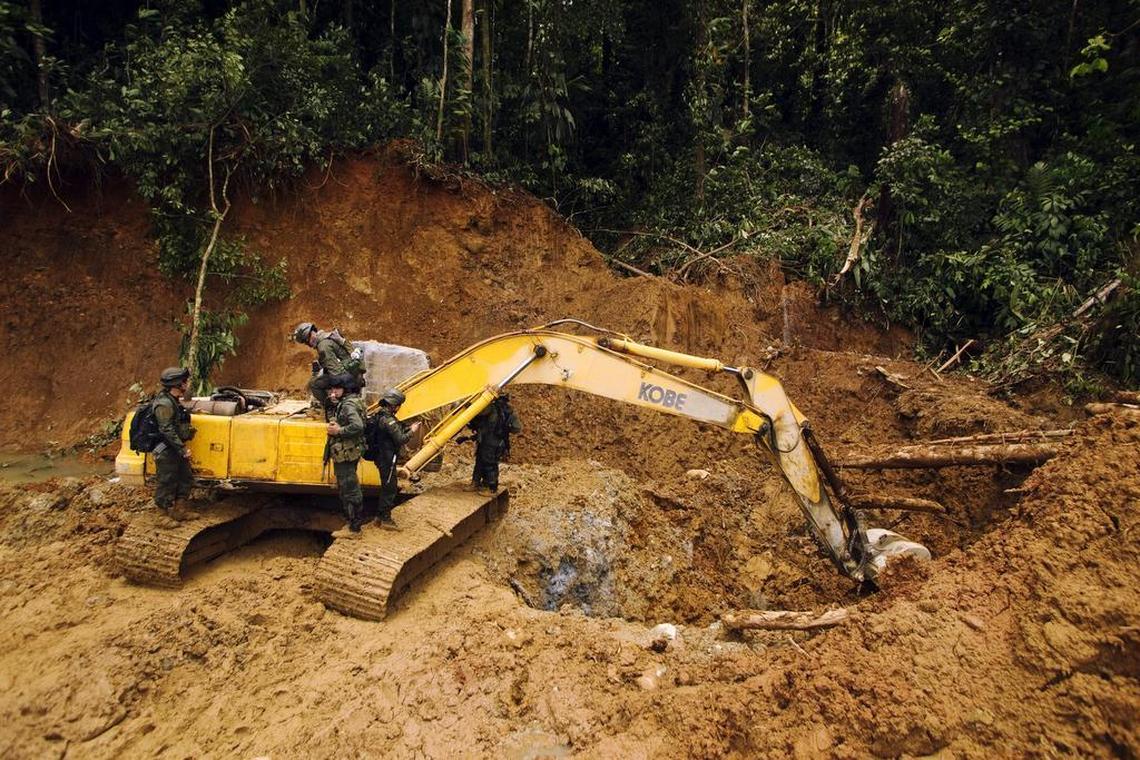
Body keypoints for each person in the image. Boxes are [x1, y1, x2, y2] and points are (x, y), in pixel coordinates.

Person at [152, 367, 198, 525]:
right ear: (177, 384)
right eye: (184, 381)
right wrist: (182, 448)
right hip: (167, 449)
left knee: (185, 477)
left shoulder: (173, 401)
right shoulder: (163, 404)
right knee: (167, 481)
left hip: (176, 448)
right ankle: (161, 515)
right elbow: (166, 429)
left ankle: (179, 510)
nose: (186, 384)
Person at [324, 374, 368, 534]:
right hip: (350, 450)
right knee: (347, 485)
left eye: (337, 388)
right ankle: (351, 523)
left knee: (349, 487)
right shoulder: (352, 401)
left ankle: (354, 527)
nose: (333, 391)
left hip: (346, 453)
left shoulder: (349, 405)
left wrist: (339, 430)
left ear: (346, 389)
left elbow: (358, 425)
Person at [369, 389, 420, 528]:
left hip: (382, 457)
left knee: (387, 486)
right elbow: (401, 439)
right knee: (390, 488)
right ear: (394, 405)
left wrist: (405, 427)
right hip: (386, 458)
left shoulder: (380, 415)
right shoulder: (388, 420)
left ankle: (379, 517)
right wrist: (412, 431)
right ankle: (385, 519)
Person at [293, 322, 365, 407]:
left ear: (310, 335)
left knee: (314, 384)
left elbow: (336, 373)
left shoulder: (323, 346)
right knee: (323, 377)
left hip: (350, 378)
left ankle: (332, 408)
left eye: (306, 341)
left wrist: (334, 393)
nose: (308, 344)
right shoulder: (328, 337)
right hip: (355, 374)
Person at [466, 394, 522, 492]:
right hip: (498, 442)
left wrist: (468, 405)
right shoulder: (510, 412)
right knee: (486, 462)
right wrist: (505, 429)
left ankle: (490, 487)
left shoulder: (491, 407)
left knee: (487, 463)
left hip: (487, 440)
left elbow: (477, 414)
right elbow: (517, 428)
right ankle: (481, 484)